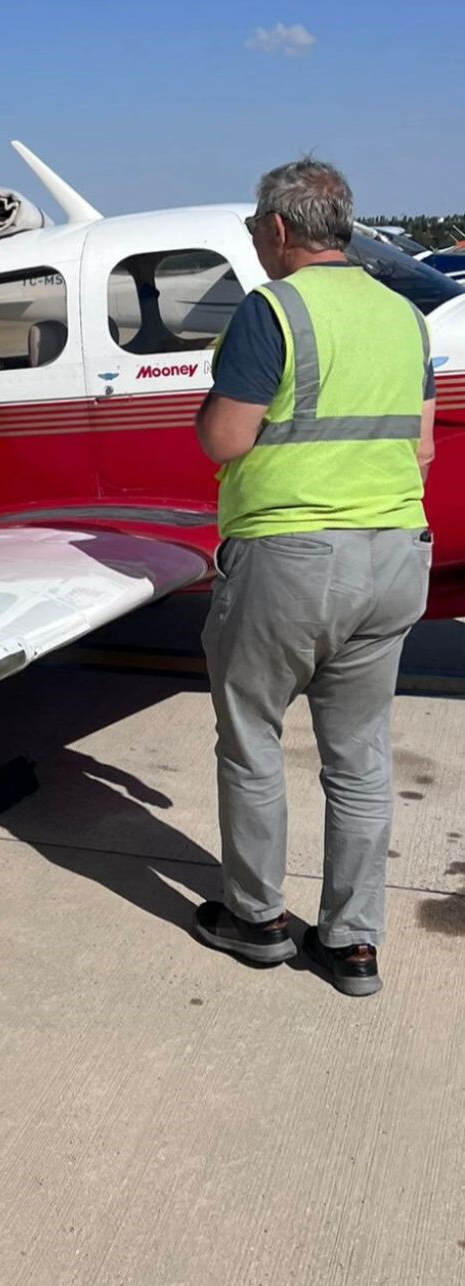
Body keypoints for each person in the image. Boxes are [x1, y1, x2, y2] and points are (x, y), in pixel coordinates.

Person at [193, 159, 436, 996]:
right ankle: (352, 943)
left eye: (260, 230)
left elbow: (225, 440)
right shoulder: (406, 314)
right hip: (397, 553)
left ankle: (257, 919)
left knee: (253, 739)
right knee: (360, 760)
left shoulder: (272, 309)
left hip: (291, 558)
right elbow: (424, 446)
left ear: (281, 231)